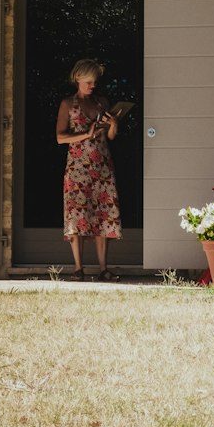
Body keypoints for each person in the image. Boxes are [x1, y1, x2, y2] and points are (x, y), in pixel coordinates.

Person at [56, 58, 122, 280]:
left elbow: (110, 137)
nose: (93, 86)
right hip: (77, 168)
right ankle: (78, 268)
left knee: (103, 215)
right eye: (89, 82)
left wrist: (113, 125)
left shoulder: (101, 102)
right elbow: (60, 137)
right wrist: (86, 134)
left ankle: (104, 268)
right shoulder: (68, 104)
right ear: (78, 79)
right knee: (77, 214)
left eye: (94, 82)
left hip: (102, 166)